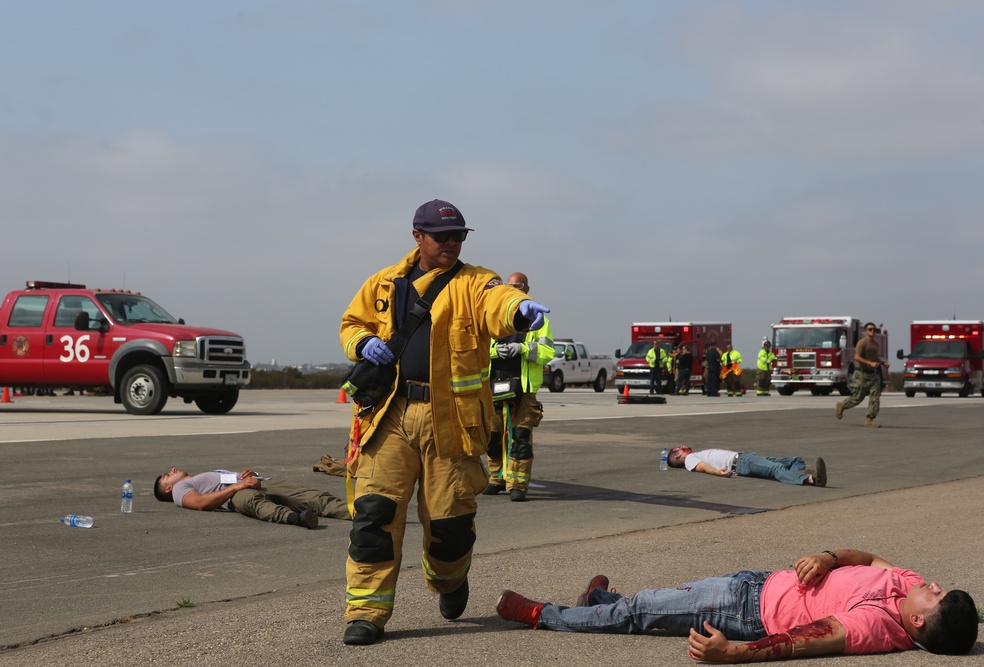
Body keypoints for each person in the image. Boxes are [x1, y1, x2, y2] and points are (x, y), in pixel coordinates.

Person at [339, 199, 550, 645]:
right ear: (418, 237)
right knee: (374, 517)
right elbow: (351, 322)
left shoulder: (474, 281)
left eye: (459, 237)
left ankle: (449, 581)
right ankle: (365, 612)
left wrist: (520, 310)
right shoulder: (384, 282)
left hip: (449, 420)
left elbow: (498, 299)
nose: (452, 244)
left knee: (449, 525)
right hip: (389, 415)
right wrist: (361, 343)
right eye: (442, 237)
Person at [496, 548, 978, 661]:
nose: (931, 583)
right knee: (650, 604)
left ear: (916, 620)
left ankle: (543, 615)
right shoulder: (906, 582)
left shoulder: (875, 627)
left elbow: (804, 642)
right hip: (759, 581)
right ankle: (599, 600)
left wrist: (733, 654)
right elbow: (869, 558)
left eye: (934, 595)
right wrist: (829, 557)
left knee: (640, 610)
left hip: (743, 611)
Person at [484, 272, 555, 502]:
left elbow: (547, 353)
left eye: (518, 286)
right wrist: (495, 352)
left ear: (526, 288)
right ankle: (497, 478)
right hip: (494, 385)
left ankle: (518, 485)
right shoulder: (494, 315)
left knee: (520, 438)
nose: (513, 289)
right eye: (509, 285)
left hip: (523, 390)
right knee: (493, 436)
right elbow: (480, 348)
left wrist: (523, 350)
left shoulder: (538, 320)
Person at [154, 467, 350, 527]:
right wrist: (238, 486)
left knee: (314, 497)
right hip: (236, 495)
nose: (172, 470)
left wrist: (247, 476)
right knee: (251, 502)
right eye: (167, 476)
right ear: (169, 488)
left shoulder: (197, 477)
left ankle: (359, 511)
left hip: (261, 482)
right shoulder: (180, 488)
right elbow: (199, 503)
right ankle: (297, 518)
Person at [667, 446, 826, 486]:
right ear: (677, 454)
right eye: (680, 448)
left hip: (744, 457)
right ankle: (811, 479)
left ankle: (798, 471)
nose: (683, 446)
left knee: (791, 461)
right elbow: (702, 467)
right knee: (774, 469)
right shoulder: (689, 460)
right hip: (741, 463)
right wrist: (717, 473)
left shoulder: (695, 455)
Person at [837, 323, 889, 427]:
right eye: (870, 329)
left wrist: (883, 363)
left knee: (875, 396)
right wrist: (869, 363)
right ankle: (842, 406)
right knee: (857, 398)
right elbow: (857, 357)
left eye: (874, 329)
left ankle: (869, 419)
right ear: (865, 331)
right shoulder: (862, 343)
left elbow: (874, 358)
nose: (872, 331)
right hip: (861, 374)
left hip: (873, 375)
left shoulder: (875, 344)